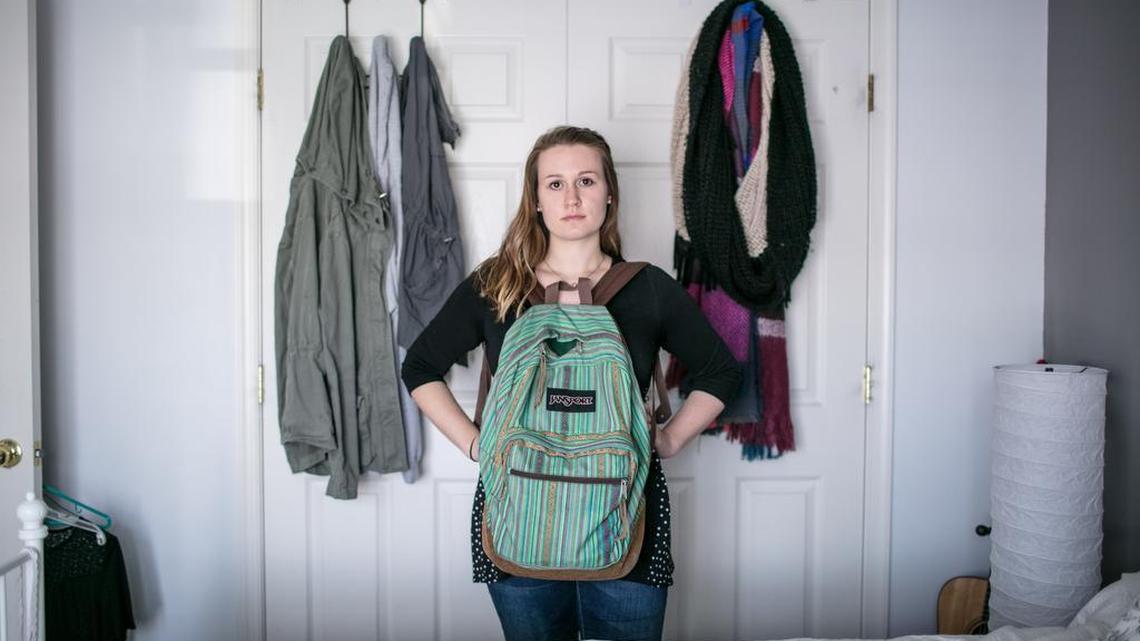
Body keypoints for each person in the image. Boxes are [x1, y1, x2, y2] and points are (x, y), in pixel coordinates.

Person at [401, 125, 740, 641]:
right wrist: (475, 444)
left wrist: (668, 439)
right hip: (517, 507)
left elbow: (721, 371)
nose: (572, 197)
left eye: (586, 180)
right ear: (535, 199)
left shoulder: (648, 289)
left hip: (629, 516)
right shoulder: (497, 284)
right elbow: (420, 366)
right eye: (554, 184)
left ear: (609, 193)